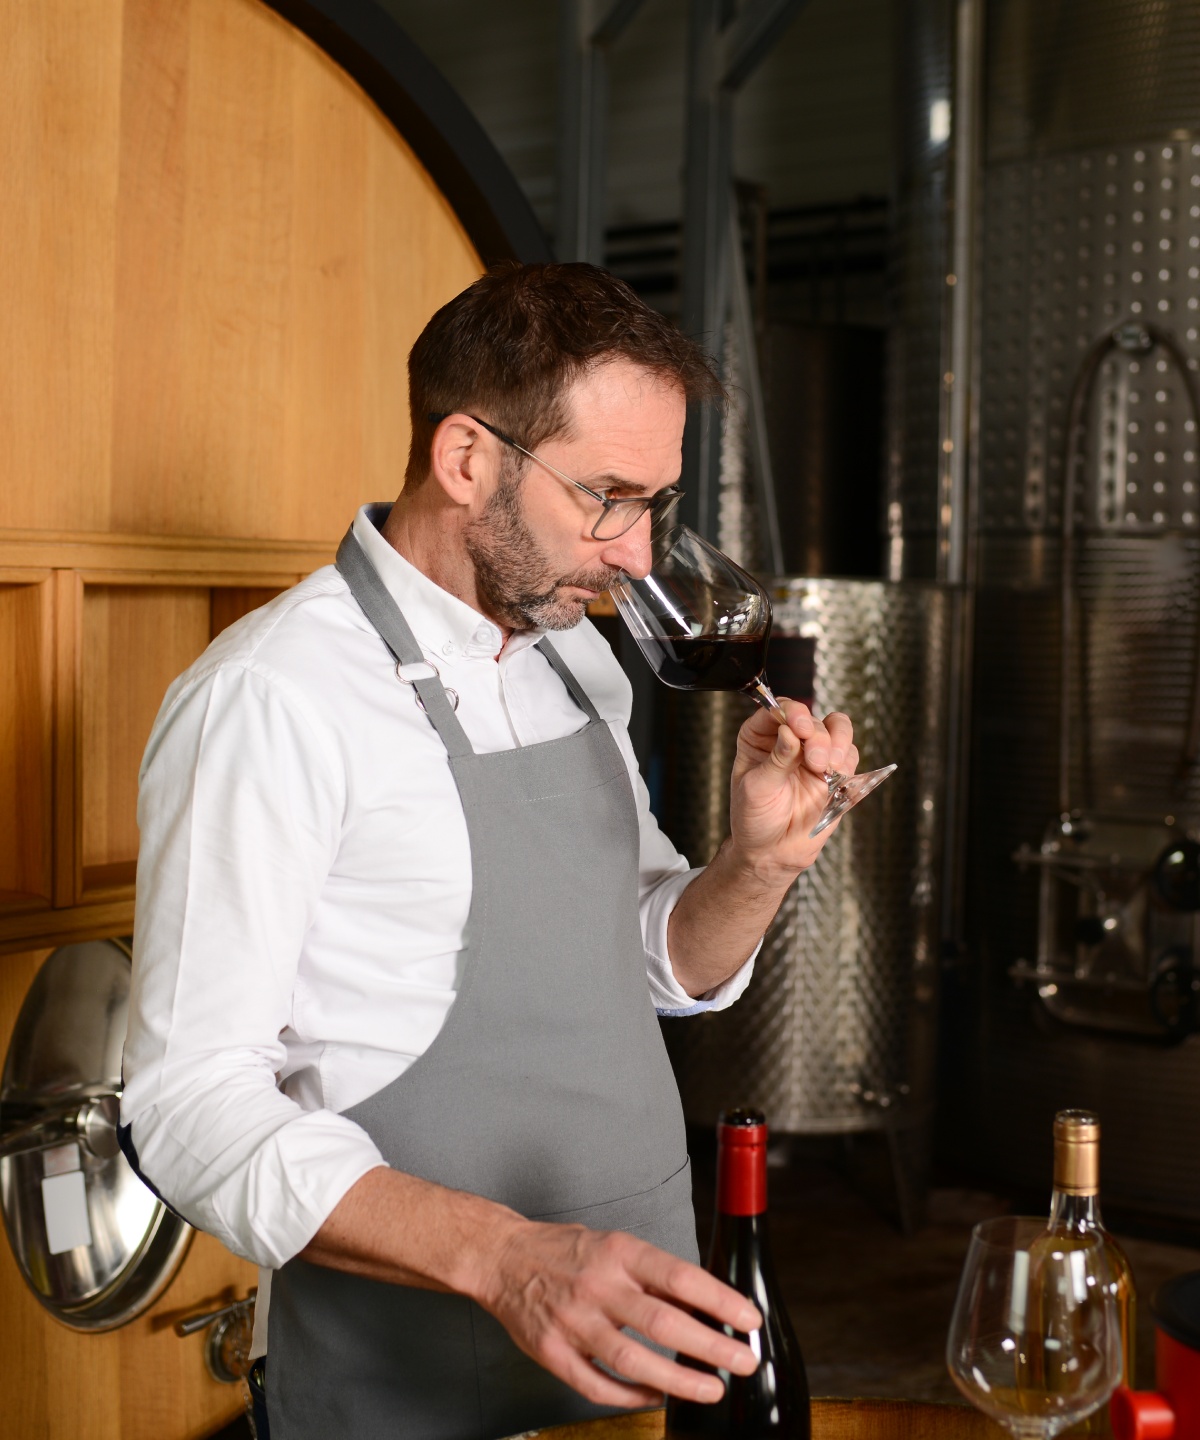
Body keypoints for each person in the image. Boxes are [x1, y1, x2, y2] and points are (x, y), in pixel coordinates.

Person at [120, 263, 858, 1440]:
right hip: (405, 1385)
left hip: (644, 1354)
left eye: (656, 503)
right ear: (466, 457)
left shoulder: (579, 656)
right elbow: (187, 1107)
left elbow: (645, 960)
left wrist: (756, 865)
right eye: (607, 496)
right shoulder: (271, 698)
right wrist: (510, 1260)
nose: (637, 553)